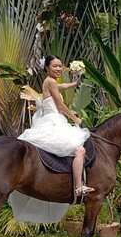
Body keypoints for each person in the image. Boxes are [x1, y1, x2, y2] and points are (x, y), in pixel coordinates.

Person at [8, 56, 93, 224]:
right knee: (80, 150)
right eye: (55, 66)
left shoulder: (51, 82)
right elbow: (60, 106)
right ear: (47, 67)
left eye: (61, 66)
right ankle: (78, 187)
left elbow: (63, 86)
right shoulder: (50, 81)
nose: (59, 69)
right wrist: (75, 119)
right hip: (53, 123)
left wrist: (74, 80)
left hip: (54, 121)